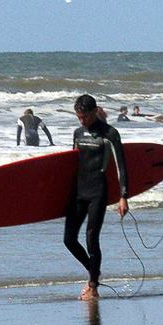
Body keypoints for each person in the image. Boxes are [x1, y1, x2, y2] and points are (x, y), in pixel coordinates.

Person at [64, 94, 129, 301]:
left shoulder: (110, 133)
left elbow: (121, 166)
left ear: (94, 112)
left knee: (92, 239)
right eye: (78, 117)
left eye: (84, 116)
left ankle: (93, 285)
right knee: (69, 239)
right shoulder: (77, 133)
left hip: (98, 192)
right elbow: (71, 164)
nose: (81, 120)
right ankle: (94, 271)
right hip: (78, 192)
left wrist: (123, 196)